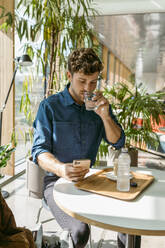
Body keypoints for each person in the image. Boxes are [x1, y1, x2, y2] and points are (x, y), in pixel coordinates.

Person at [32, 48, 129, 248]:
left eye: (93, 82)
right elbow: (39, 152)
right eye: (82, 81)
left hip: (91, 179)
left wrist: (105, 116)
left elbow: (118, 142)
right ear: (69, 76)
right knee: (79, 231)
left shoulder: (99, 106)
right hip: (56, 183)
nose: (88, 88)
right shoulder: (49, 107)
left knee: (128, 220)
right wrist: (61, 169)